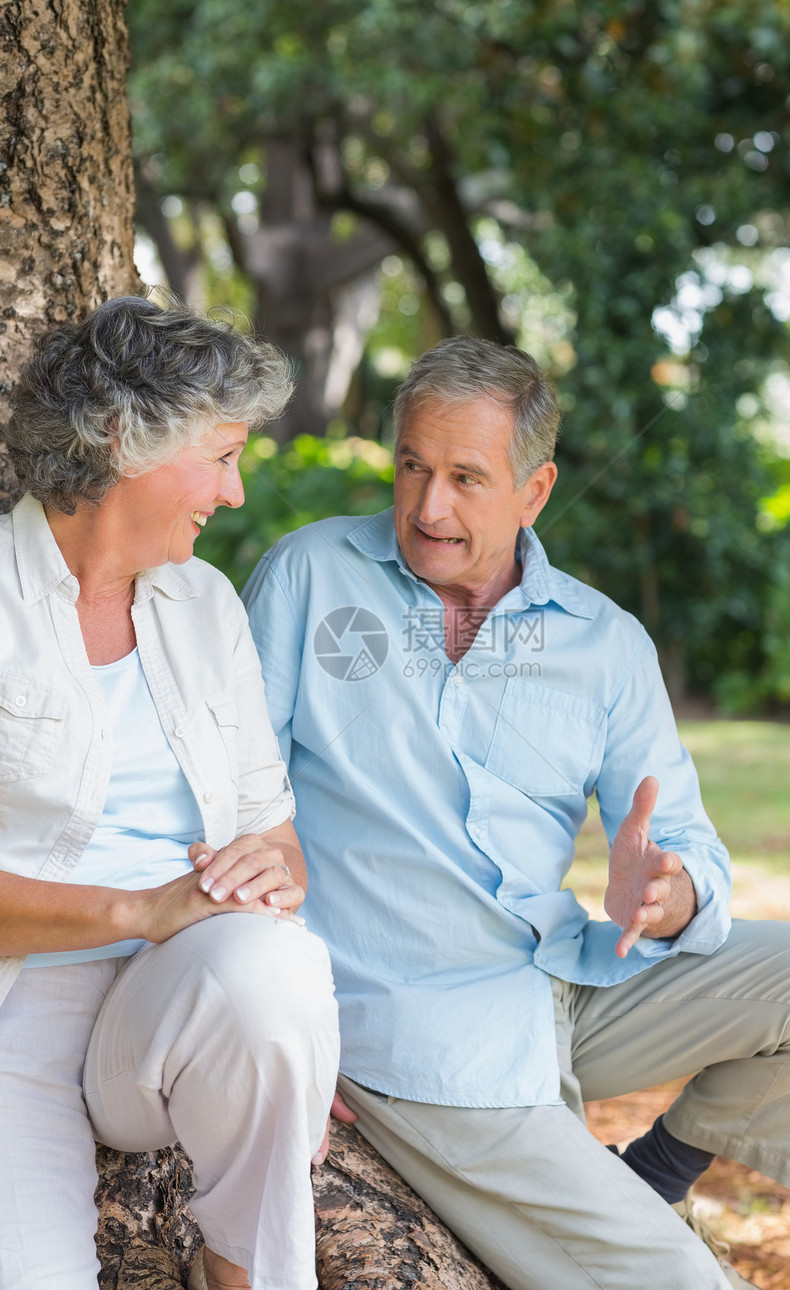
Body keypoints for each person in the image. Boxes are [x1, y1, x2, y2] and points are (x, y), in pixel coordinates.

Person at [243, 336, 790, 1290]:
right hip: (418, 1032)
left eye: (464, 478)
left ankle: (655, 1178)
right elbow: (232, 804)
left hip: (561, 975)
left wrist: (669, 894)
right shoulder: (308, 575)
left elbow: (691, 843)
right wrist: (268, 1036)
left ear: (536, 491)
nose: (428, 505)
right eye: (412, 466)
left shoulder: (606, 644)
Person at [0, 296, 339, 1290]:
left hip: (175, 1003)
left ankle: (239, 1275)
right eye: (222, 455)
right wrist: (141, 910)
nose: (233, 493)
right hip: (21, 1000)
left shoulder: (205, 605)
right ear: (123, 440)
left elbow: (275, 842)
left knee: (276, 971)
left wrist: (260, 877)